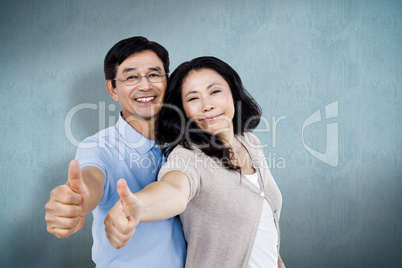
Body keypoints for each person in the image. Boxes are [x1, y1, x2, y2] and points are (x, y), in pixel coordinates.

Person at [105, 56, 285, 267]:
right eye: (193, 99)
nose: (207, 105)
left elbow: (264, 230)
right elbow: (174, 190)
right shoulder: (188, 156)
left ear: (233, 92)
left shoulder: (250, 142)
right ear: (183, 111)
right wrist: (138, 207)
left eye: (215, 92)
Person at [45, 36, 186, 268]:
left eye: (154, 74)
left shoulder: (185, 142)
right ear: (112, 88)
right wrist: (79, 200)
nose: (145, 86)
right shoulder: (99, 147)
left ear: (167, 81)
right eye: (131, 77)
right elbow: (91, 178)